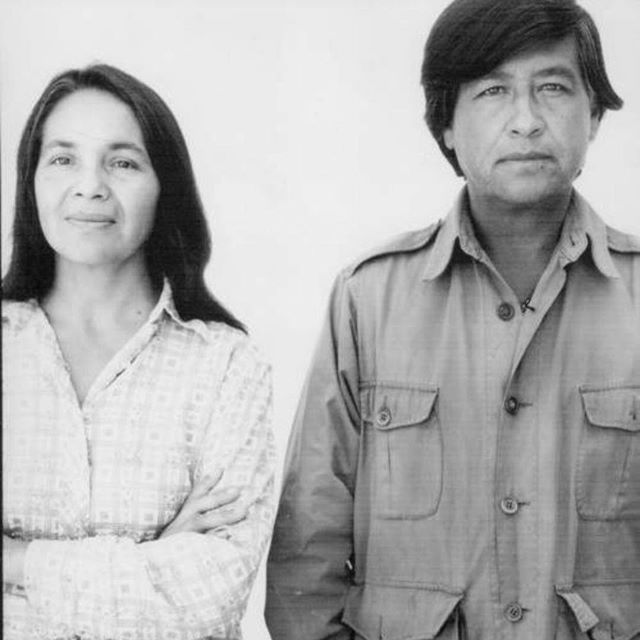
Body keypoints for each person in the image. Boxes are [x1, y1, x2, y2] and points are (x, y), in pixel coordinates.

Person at [265, 0, 640, 638]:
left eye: (552, 87)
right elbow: (308, 551)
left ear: (595, 115)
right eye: (493, 90)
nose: (526, 120)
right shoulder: (368, 300)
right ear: (445, 125)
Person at [2, 64, 275, 640]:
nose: (90, 185)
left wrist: (16, 561)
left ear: (165, 186)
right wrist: (154, 558)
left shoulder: (225, 364)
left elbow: (213, 596)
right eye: (62, 158)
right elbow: (176, 597)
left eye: (122, 162)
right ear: (31, 180)